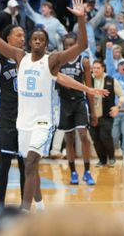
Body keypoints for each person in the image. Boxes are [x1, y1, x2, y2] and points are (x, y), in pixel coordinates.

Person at [0, 0, 105, 209]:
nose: (37, 41)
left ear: (46, 44)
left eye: (42, 39)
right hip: (22, 122)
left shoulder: (52, 60)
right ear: (30, 41)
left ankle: (25, 211)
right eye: (34, 38)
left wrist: (81, 19)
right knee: (30, 167)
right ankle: (40, 204)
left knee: (31, 163)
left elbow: (81, 46)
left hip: (43, 123)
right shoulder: (20, 57)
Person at [55, 34, 95, 186]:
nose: (69, 48)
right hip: (64, 103)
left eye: (72, 45)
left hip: (79, 102)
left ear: (76, 45)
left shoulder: (83, 61)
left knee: (84, 136)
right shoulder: (59, 62)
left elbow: (89, 88)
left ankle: (87, 171)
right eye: (66, 45)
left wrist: (93, 111)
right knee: (69, 139)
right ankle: (73, 172)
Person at [88, 60, 124, 167]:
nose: (95, 70)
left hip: (106, 115)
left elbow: (122, 95)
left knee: (105, 136)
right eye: (94, 68)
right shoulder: (88, 80)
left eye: (98, 68)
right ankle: (102, 160)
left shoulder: (111, 80)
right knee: (95, 138)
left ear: (103, 69)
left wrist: (117, 107)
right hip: (92, 115)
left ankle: (112, 157)